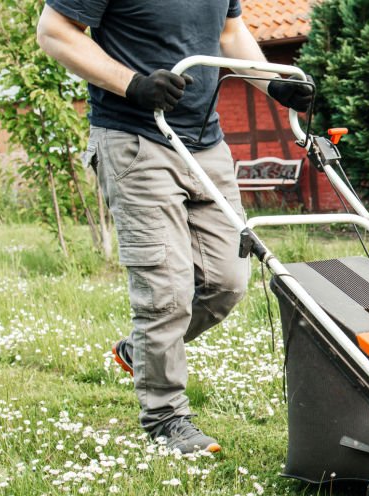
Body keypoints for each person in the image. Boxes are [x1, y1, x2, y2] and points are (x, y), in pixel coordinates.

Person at [36, 1, 312, 453]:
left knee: (227, 281)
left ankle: (140, 352)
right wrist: (133, 84)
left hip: (206, 142)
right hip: (135, 138)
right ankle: (166, 419)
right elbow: (54, 32)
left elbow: (230, 35)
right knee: (165, 291)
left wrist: (273, 84)